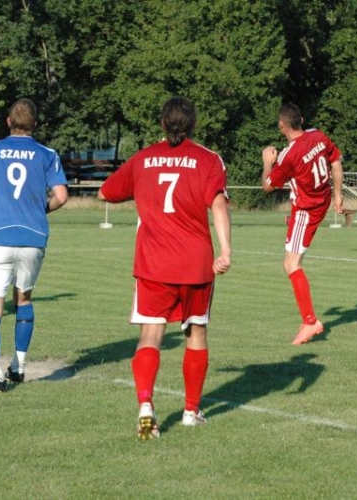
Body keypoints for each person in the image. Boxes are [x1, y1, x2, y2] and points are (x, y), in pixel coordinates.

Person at [98, 96, 231, 440]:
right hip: (195, 264)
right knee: (196, 334)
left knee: (150, 335)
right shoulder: (207, 159)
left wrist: (143, 190)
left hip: (153, 264)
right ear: (193, 125)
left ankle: (145, 406)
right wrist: (226, 250)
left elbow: (106, 193)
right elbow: (217, 203)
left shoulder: (143, 159)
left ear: (161, 124)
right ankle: (190, 411)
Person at [0, 98, 68, 393]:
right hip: (33, 237)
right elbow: (62, 196)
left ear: (8, 121)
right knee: (23, 299)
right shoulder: (47, 154)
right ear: (35, 124)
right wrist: (40, 210)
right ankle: (20, 366)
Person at [261, 103, 343, 345]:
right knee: (293, 262)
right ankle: (308, 320)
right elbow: (336, 162)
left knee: (291, 264)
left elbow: (267, 185)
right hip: (322, 200)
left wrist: (268, 161)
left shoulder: (288, 155)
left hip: (306, 210)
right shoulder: (318, 135)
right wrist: (337, 194)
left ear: (281, 126)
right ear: (302, 119)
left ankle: (310, 321)